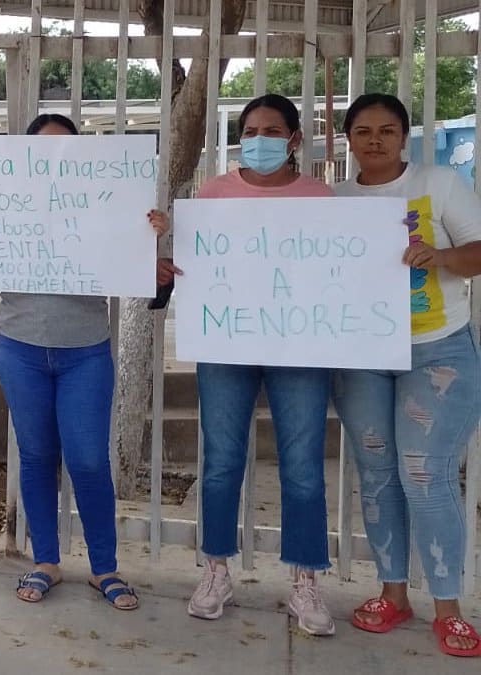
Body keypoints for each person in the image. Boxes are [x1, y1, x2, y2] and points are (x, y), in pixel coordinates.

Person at [0, 113, 166, 608]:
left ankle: (105, 568)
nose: (54, 159)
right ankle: (46, 562)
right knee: (36, 457)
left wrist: (149, 233)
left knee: (86, 460)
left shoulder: (102, 203)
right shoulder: (3, 200)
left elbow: (140, 263)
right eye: (43, 149)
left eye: (65, 149)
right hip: (20, 348)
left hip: (85, 352)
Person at [157, 94, 338, 635]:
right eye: (251, 130)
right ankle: (215, 570)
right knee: (221, 462)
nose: (260, 140)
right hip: (226, 346)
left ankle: (304, 581)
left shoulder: (320, 197)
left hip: (301, 348)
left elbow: (339, 271)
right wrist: (172, 266)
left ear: (295, 140)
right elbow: (193, 265)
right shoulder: (213, 193)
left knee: (303, 465)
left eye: (273, 130)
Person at [332, 93, 481, 657]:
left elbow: (479, 252)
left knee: (426, 474)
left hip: (436, 352)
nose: (375, 140)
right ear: (348, 138)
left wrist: (437, 257)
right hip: (362, 354)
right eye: (364, 130)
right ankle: (393, 594)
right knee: (377, 471)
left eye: (387, 130)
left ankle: (449, 608)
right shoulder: (337, 198)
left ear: (404, 137)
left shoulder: (438, 183)